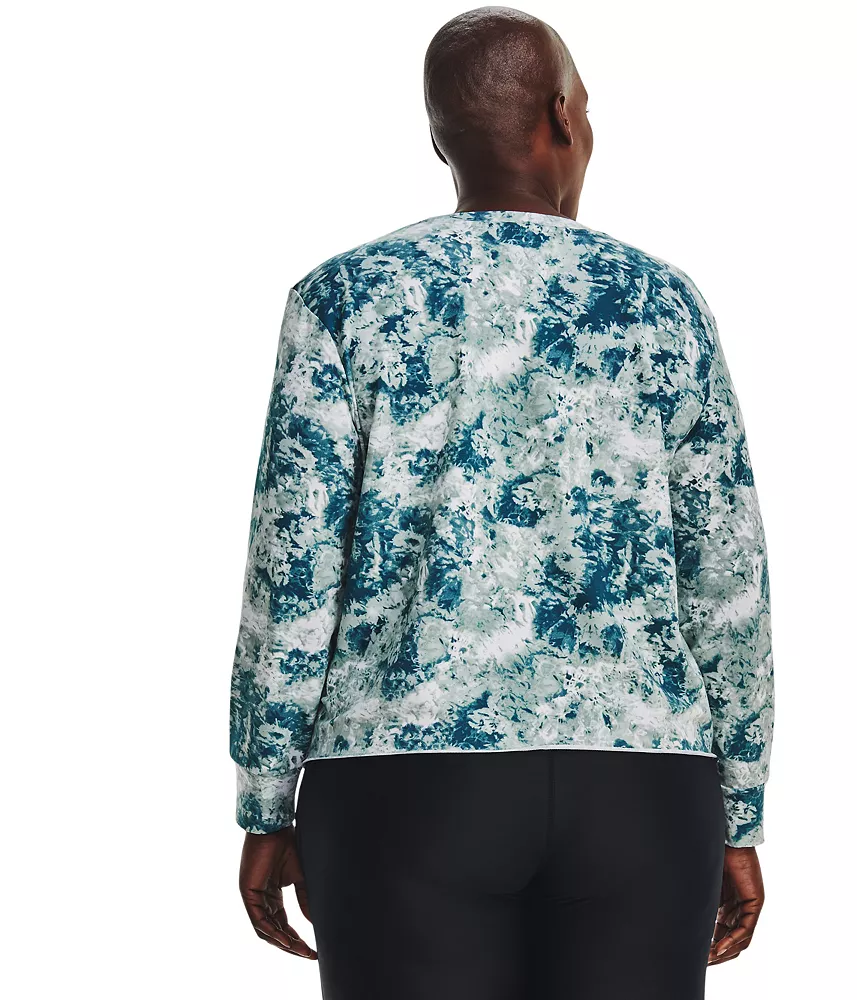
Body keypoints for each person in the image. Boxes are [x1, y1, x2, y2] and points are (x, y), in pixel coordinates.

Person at [230, 6, 774, 999]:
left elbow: (293, 568)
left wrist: (267, 799)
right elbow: (726, 578)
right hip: (641, 783)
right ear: (562, 115)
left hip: (405, 782)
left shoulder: (345, 299)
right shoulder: (662, 303)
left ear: (439, 139)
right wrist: (738, 813)